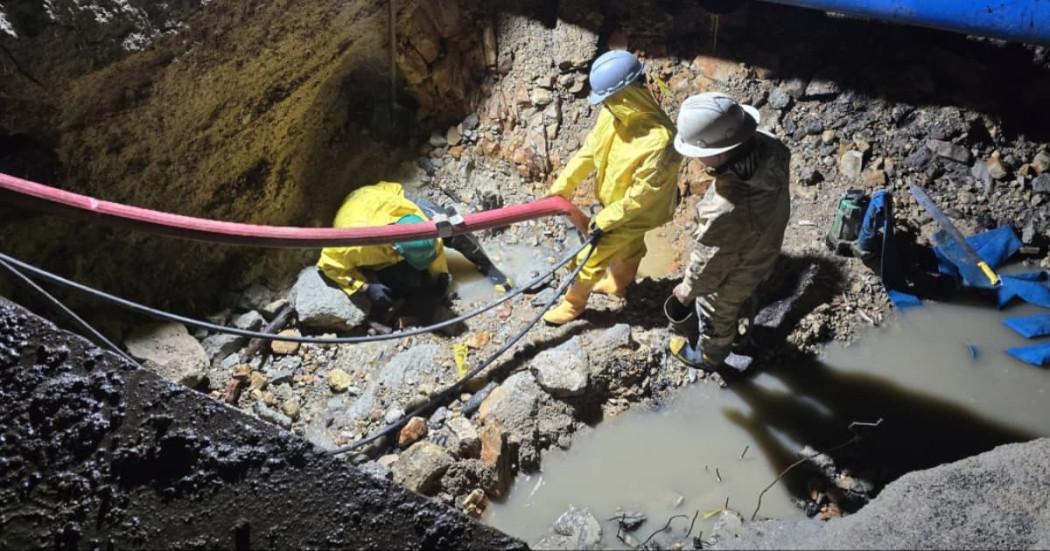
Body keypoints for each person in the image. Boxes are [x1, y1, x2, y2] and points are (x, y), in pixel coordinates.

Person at [543, 49, 682, 325]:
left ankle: (574, 305)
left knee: (590, 256)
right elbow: (589, 151)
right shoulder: (613, 115)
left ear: (626, 95)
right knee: (630, 245)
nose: (605, 104)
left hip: (638, 211)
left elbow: (640, 199)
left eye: (609, 98)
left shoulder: (660, 141)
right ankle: (619, 285)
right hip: (617, 205)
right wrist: (563, 187)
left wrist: (605, 218)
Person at [666, 92, 791, 369]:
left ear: (718, 152)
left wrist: (688, 289)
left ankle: (711, 356)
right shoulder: (772, 146)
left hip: (740, 263)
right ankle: (748, 314)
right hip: (768, 241)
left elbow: (710, 260)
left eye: (700, 154)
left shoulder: (725, 207)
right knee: (752, 284)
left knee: (714, 308)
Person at [317, 181, 509, 322]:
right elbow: (328, 265)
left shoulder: (418, 215)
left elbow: (435, 245)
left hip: (389, 196)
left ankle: (487, 266)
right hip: (357, 209)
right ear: (394, 250)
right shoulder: (354, 245)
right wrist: (365, 286)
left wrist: (440, 275)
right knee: (406, 283)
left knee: (454, 232)